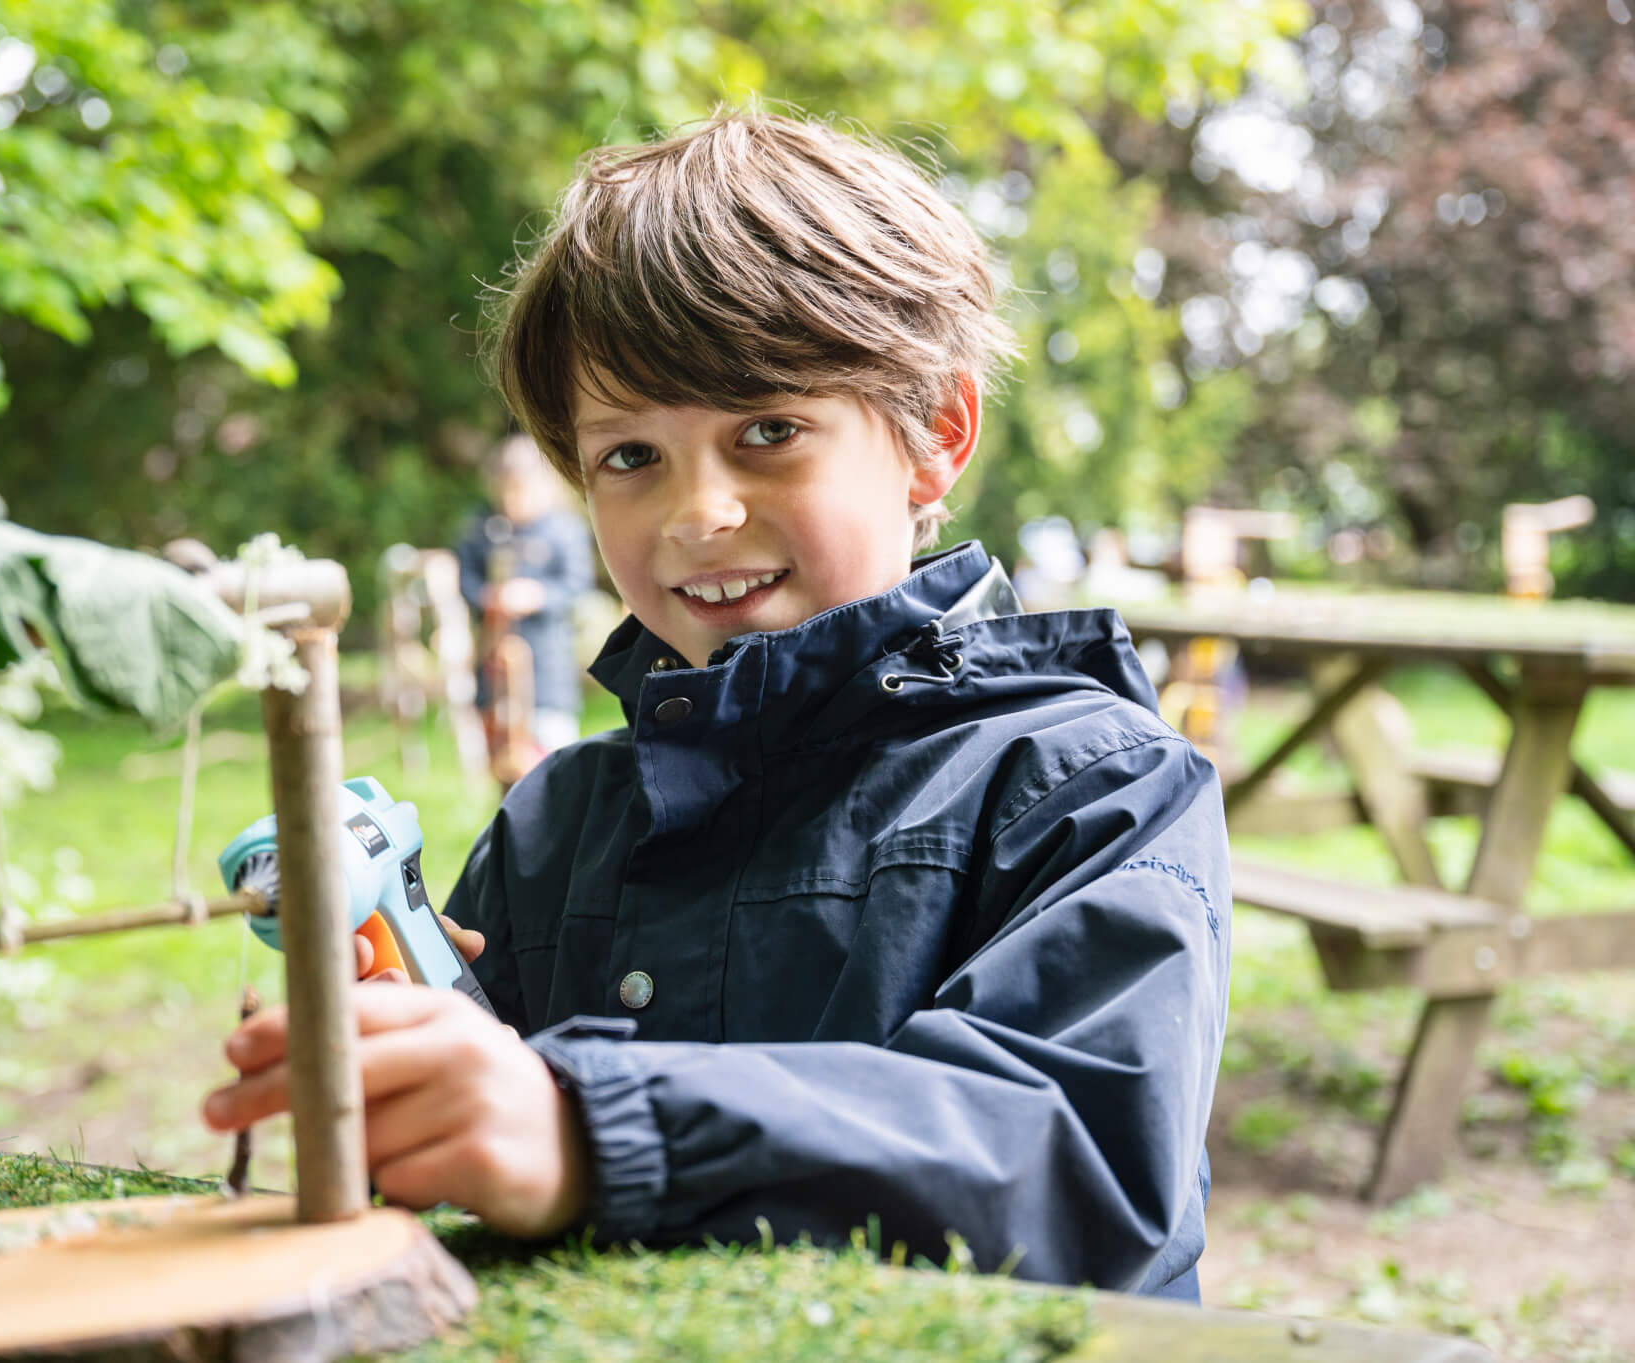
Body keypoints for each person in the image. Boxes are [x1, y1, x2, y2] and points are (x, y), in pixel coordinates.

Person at [203, 109, 1231, 1301]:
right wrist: (419, 1066)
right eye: (630, 456)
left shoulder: (1096, 786)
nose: (698, 514)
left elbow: (1081, 1158)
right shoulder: (555, 819)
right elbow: (498, 1153)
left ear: (934, 435)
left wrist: (588, 1131)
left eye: (767, 431)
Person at [454, 433, 599, 769]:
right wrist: (488, 596)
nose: (511, 499)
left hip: (546, 665)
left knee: (550, 753)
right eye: (505, 489)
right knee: (498, 752)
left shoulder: (564, 529)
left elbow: (578, 585)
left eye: (520, 489)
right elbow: (464, 578)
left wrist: (537, 596)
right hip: (492, 659)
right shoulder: (482, 527)